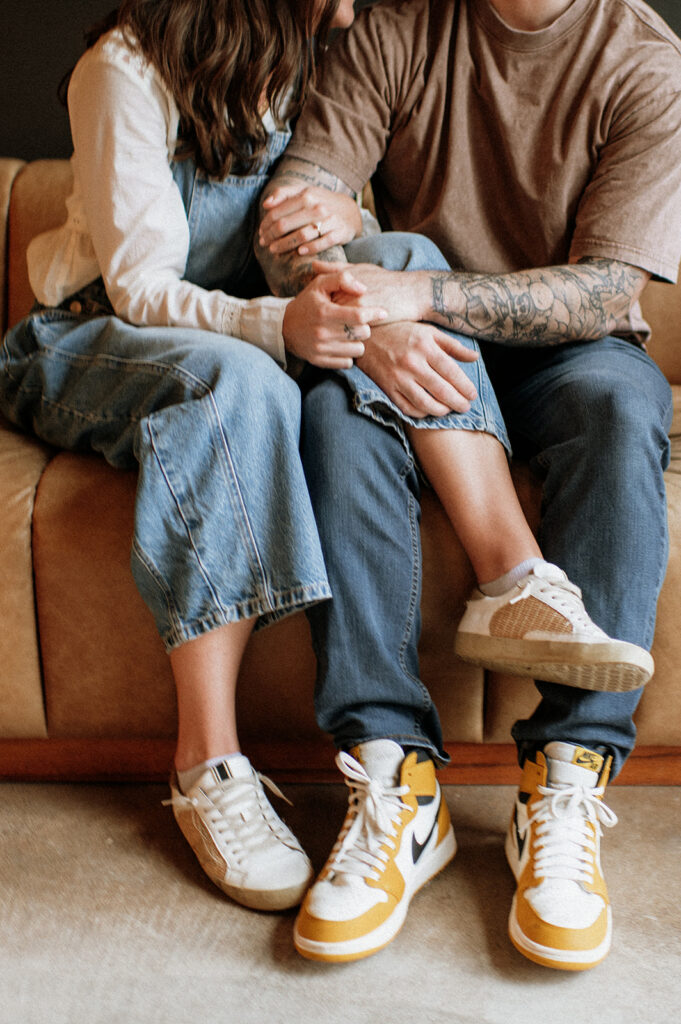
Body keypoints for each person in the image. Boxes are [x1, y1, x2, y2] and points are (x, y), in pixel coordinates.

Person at [256, 0, 681, 968]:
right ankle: (392, 776)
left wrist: (422, 294)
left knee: (625, 409)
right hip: (419, 353)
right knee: (336, 405)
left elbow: (605, 293)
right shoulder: (395, 31)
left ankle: (566, 780)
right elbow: (287, 222)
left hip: (573, 359)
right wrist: (377, 311)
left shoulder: (648, 65)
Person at [0, 0, 379, 913]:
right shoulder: (121, 70)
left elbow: (319, 235)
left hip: (211, 337)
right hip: (80, 337)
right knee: (244, 381)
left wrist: (345, 213)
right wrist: (273, 324)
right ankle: (206, 766)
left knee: (343, 314)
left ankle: (390, 748)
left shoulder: (306, 61)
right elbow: (136, 289)